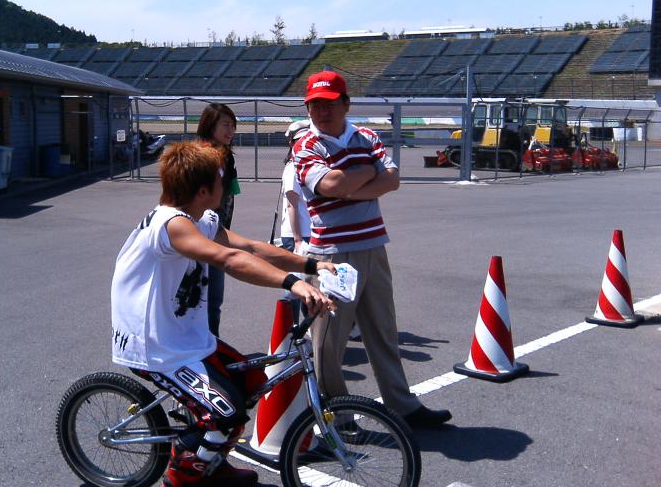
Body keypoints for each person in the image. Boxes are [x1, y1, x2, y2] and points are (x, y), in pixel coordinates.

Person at [111, 141, 336, 486]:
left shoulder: (200, 220)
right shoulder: (171, 225)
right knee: (226, 412)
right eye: (222, 181)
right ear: (203, 191)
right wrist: (294, 284)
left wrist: (311, 264)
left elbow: (250, 248)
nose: (227, 187)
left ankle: (212, 463)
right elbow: (230, 260)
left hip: (185, 337)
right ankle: (183, 476)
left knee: (249, 385)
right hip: (155, 346)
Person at [293, 69, 452, 429]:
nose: (322, 111)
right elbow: (330, 185)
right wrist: (366, 172)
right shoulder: (306, 145)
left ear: (346, 104)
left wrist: (348, 187)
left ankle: (403, 405)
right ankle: (338, 418)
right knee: (328, 343)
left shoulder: (366, 135)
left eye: (329, 103)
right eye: (315, 105)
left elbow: (392, 180)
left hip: (373, 246)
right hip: (332, 256)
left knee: (383, 332)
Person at [196, 103, 240, 337]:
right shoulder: (203, 157)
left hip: (218, 233)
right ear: (210, 125)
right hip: (201, 237)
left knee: (213, 300)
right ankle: (207, 348)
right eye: (225, 125)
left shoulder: (225, 157)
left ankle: (211, 345)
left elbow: (230, 194)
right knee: (204, 301)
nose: (230, 130)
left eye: (233, 126)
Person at [279, 120, 311, 254]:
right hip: (300, 234)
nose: (304, 144)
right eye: (299, 140)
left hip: (306, 231)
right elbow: (291, 205)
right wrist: (298, 240)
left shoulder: (304, 164)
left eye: (307, 140)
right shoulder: (293, 167)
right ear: (291, 143)